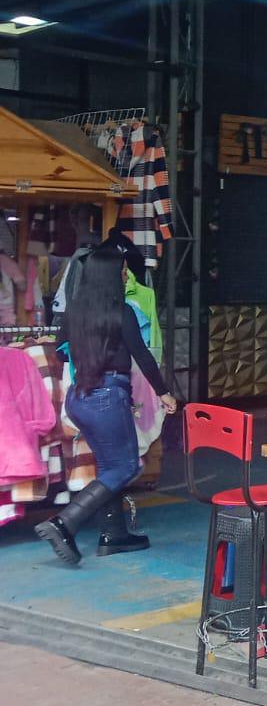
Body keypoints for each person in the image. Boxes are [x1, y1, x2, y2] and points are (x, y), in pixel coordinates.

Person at [35, 241, 177, 565]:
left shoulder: (74, 311)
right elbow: (142, 355)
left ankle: (114, 535)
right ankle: (64, 523)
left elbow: (61, 352)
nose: (126, 276)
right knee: (127, 466)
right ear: (110, 276)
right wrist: (164, 392)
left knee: (109, 467)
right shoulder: (122, 311)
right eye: (123, 271)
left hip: (79, 399)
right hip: (107, 398)